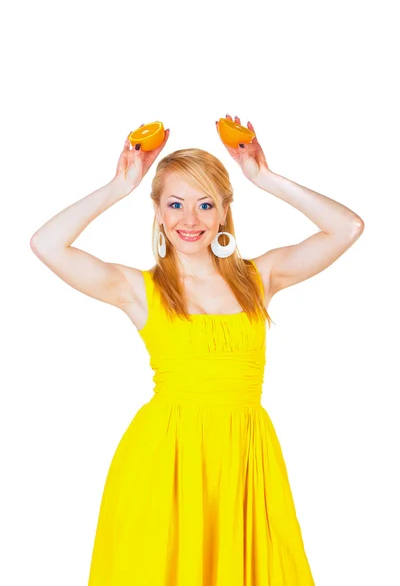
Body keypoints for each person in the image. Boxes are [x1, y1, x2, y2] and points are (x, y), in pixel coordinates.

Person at [30, 114, 364, 585]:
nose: (190, 220)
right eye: (176, 204)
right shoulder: (137, 288)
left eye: (206, 204)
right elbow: (45, 244)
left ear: (225, 211)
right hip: (165, 462)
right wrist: (119, 186)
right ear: (159, 213)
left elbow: (347, 227)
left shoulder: (259, 279)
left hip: (245, 459)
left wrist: (262, 177)